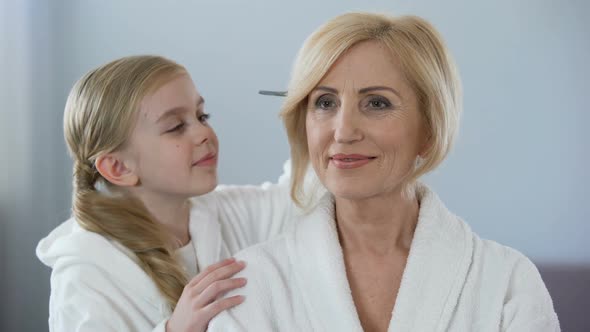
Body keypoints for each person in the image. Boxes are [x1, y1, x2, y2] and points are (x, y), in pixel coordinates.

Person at [209, 12, 560, 331]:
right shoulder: (250, 285)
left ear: (429, 130)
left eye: (377, 103)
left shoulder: (506, 284)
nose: (344, 131)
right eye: (325, 103)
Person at [36, 55, 303, 331]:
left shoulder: (223, 211)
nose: (204, 133)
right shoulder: (87, 274)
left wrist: (320, 113)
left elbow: (301, 198)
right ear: (117, 166)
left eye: (202, 116)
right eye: (176, 127)